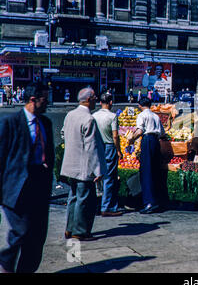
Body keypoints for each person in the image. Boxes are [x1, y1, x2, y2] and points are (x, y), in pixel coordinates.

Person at [0, 82, 54, 273]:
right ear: (33, 100)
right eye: (45, 100)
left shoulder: (45, 123)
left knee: (37, 238)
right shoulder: (10, 123)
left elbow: (50, 154)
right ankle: (5, 266)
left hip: (39, 186)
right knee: (19, 233)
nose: (48, 104)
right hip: (17, 188)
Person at [60, 88, 106, 241]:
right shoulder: (89, 119)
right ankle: (79, 231)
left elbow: (63, 133)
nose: (97, 101)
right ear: (89, 99)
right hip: (83, 167)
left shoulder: (70, 115)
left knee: (73, 197)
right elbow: (91, 147)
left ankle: (69, 229)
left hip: (70, 165)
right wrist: (98, 170)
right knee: (84, 200)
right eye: (95, 98)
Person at [127, 97, 165, 214]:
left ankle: (149, 203)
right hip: (156, 142)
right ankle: (156, 200)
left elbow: (139, 131)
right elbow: (162, 132)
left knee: (146, 171)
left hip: (147, 140)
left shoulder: (142, 115)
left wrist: (131, 139)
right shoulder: (155, 116)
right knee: (154, 170)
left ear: (140, 105)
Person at [93, 93, 124, 217]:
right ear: (111, 103)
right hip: (109, 146)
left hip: (97, 146)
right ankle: (107, 207)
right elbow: (115, 136)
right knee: (109, 178)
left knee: (97, 176)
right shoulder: (112, 116)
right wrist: (119, 150)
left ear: (100, 102)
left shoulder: (94, 115)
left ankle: (97, 205)